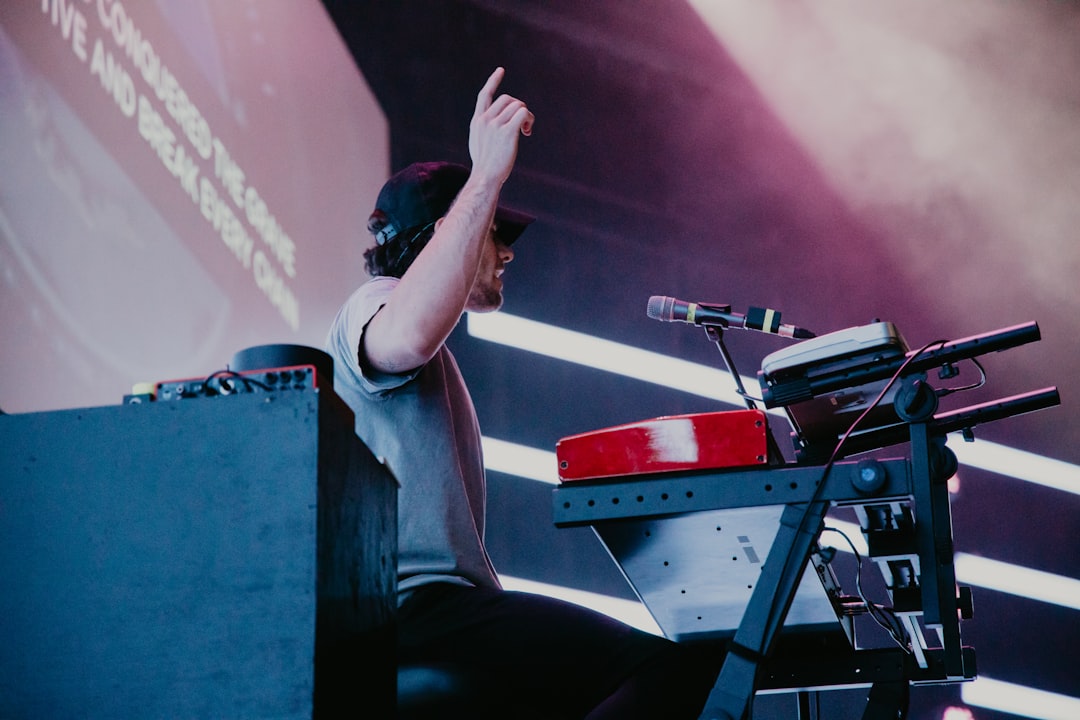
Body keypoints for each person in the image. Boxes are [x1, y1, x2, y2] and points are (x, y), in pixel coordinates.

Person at [326, 67, 721, 718]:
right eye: (492, 233)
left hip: (443, 612)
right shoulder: (375, 303)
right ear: (439, 234)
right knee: (679, 671)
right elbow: (405, 339)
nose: (506, 254)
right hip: (421, 610)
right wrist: (484, 177)